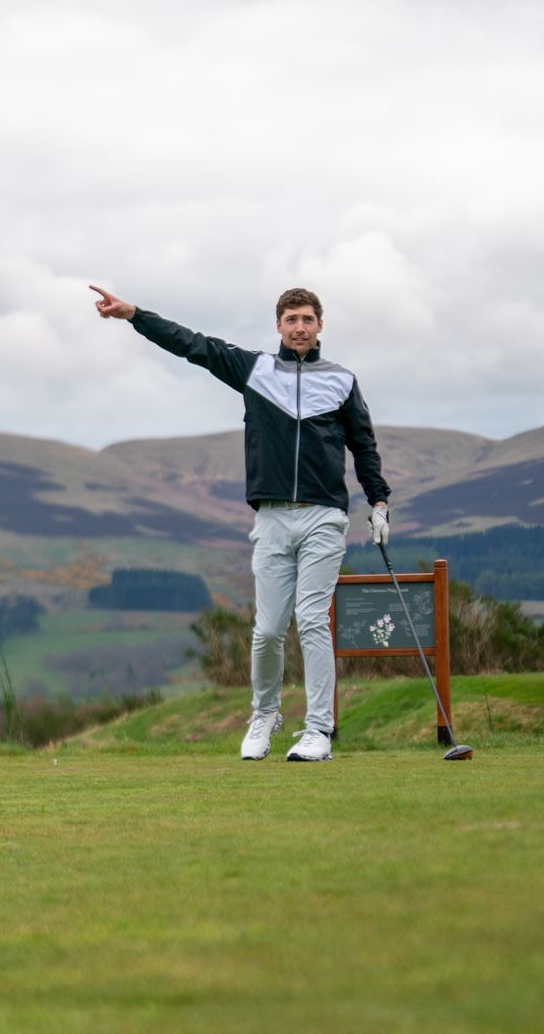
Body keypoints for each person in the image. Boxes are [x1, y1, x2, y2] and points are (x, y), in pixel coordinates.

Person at [90, 284, 391, 762]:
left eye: (307, 320)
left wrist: (378, 502)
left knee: (312, 620)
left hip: (324, 516)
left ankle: (318, 731)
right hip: (272, 517)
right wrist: (134, 315)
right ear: (278, 325)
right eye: (291, 319)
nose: (299, 328)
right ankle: (265, 715)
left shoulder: (341, 380)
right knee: (268, 630)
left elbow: (364, 445)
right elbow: (195, 345)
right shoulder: (255, 371)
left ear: (320, 326)